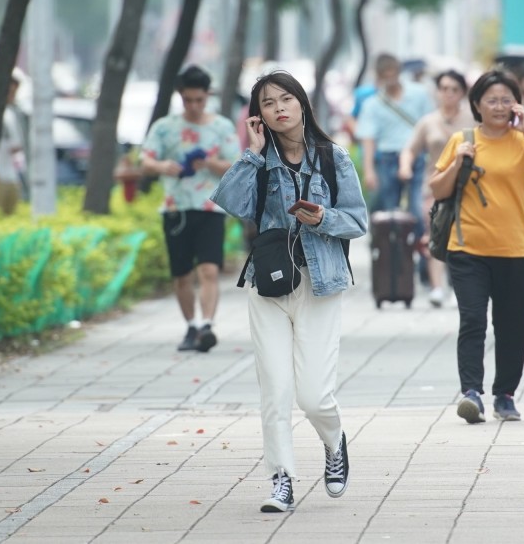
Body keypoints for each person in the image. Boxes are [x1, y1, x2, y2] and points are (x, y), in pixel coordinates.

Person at [211, 71, 368, 513]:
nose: (279, 107)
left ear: (302, 103)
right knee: (275, 389)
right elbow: (230, 202)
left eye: (286, 98)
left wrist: (323, 219)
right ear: (258, 115)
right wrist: (253, 155)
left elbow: (357, 221)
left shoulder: (332, 158)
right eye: (267, 102)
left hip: (321, 284)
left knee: (314, 396)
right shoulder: (260, 161)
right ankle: (281, 478)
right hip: (269, 283)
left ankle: (334, 442)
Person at [429, 69, 524, 424]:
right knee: (472, 319)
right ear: (477, 105)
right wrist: (458, 162)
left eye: (506, 100)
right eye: (491, 100)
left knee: (513, 325)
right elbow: (438, 189)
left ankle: (505, 394)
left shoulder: (523, 140)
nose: (499, 107)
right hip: (468, 249)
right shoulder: (462, 139)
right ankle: (471, 392)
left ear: (516, 104)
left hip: (515, 250)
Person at [141, 65, 240, 353]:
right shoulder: (164, 127)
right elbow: (145, 161)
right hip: (176, 209)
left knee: (209, 269)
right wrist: (164, 167)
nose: (194, 106)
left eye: (199, 100)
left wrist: (209, 164)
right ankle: (191, 326)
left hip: (210, 208)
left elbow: (236, 165)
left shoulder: (221, 127)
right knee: (182, 273)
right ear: (180, 97)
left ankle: (207, 324)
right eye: (188, 100)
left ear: (207, 95)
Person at [398, 70, 475, 307]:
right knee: (437, 233)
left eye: (454, 89)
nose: (449, 94)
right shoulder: (428, 121)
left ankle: (458, 286)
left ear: (462, 93)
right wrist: (405, 167)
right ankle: (437, 287)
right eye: (444, 88)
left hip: (468, 186)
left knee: (463, 237)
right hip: (435, 186)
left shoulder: (473, 120)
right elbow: (410, 148)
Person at [356, 53, 435, 228]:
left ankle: (418, 250)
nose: (390, 79)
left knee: (418, 209)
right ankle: (392, 251)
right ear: (379, 77)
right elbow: (368, 139)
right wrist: (369, 171)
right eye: (386, 76)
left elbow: (431, 126)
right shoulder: (373, 104)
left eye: (393, 74)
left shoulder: (418, 94)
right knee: (390, 213)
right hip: (388, 157)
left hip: (417, 157)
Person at [0, 72, 25, 215]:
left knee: (9, 217)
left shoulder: (10, 114)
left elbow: (16, 147)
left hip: (11, 176)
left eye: (15, 92)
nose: (12, 95)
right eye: (10, 91)